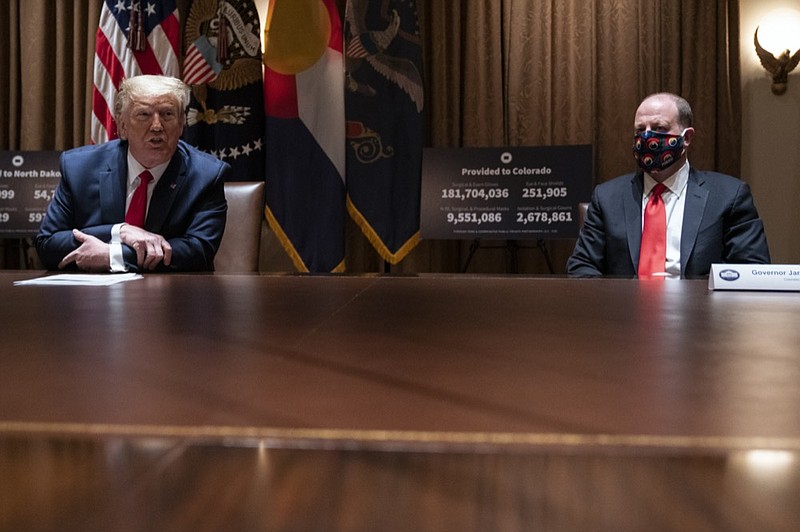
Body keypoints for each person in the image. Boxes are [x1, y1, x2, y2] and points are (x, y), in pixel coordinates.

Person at [36, 75, 228, 273]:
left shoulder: (206, 175)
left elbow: (199, 252)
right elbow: (48, 244)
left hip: (171, 296)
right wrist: (120, 232)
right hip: (94, 297)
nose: (156, 126)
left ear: (181, 125)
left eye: (167, 114)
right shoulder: (79, 168)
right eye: (144, 114)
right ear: (122, 127)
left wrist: (113, 255)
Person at [567, 92, 770, 279]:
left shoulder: (729, 196)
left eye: (659, 128)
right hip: (624, 312)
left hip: (700, 313)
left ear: (687, 137)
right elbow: (582, 266)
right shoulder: (607, 197)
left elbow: (752, 270)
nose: (647, 137)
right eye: (640, 130)